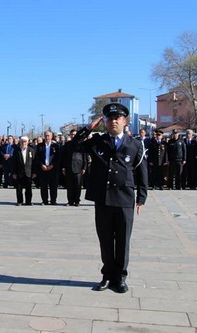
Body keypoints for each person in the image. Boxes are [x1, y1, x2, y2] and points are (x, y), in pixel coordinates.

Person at [71, 103, 148, 293]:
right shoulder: (97, 142)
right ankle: (107, 275)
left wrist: (142, 197)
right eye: (109, 118)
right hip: (103, 198)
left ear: (124, 121)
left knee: (122, 240)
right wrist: (88, 129)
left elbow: (142, 172)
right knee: (105, 240)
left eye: (117, 118)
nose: (113, 121)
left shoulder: (135, 144)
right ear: (104, 122)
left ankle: (120, 277)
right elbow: (72, 146)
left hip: (124, 198)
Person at [61, 130, 87, 206]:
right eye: (72, 134)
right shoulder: (67, 144)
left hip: (78, 167)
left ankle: (77, 201)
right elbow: (64, 157)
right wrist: (63, 167)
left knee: (78, 185)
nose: (73, 136)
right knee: (69, 186)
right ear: (70, 135)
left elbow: (84, 156)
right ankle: (70, 201)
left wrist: (84, 167)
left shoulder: (81, 144)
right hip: (68, 167)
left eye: (75, 134)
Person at [36, 130, 60, 205]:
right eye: (45, 135)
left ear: (51, 136)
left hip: (52, 168)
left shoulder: (56, 146)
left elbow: (58, 157)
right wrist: (41, 165)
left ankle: (53, 200)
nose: (47, 137)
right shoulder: (39, 146)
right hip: (43, 168)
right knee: (43, 186)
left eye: (48, 135)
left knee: (53, 185)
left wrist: (52, 165)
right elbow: (37, 157)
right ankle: (45, 200)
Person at [11, 136, 36, 206]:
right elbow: (13, 162)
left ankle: (28, 201)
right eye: (22, 142)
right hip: (19, 172)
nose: (23, 143)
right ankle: (20, 201)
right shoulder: (16, 150)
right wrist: (14, 173)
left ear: (27, 142)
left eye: (25, 142)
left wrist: (34, 172)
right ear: (20, 142)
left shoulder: (31, 150)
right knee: (19, 188)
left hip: (28, 172)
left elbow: (34, 162)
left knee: (28, 188)